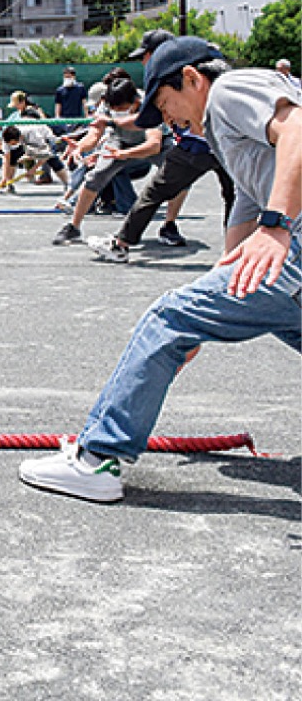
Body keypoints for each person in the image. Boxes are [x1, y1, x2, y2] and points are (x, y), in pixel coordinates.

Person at [20, 36, 302, 502]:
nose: (168, 120)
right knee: (196, 318)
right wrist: (211, 309)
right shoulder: (232, 136)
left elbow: (298, 131)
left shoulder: (230, 91)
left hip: (294, 251)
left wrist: (276, 227)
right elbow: (244, 214)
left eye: (166, 103)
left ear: (191, 79)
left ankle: (96, 459)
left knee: (165, 317)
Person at [88, 31, 236, 264]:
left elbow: (151, 138)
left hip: (196, 148)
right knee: (237, 196)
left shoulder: (177, 79)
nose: (144, 62)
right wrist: (112, 122)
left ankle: (124, 243)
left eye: (145, 55)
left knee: (157, 191)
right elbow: (142, 121)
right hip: (209, 145)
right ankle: (235, 252)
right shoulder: (180, 80)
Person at [52, 77, 166, 246]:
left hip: (149, 144)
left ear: (135, 103)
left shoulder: (149, 105)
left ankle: (169, 225)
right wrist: (81, 146)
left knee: (176, 172)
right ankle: (73, 227)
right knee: (95, 176)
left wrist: (125, 154)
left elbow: (154, 145)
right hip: (119, 142)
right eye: (113, 108)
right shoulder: (105, 106)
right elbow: (94, 134)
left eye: (121, 109)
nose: (116, 111)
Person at [0, 123, 70, 194]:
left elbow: (46, 155)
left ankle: (68, 186)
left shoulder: (34, 135)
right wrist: (5, 178)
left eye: (13, 144)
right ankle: (9, 185)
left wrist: (33, 169)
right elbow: (7, 159)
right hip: (28, 142)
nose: (12, 145)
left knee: (53, 160)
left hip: (45, 139)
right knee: (13, 157)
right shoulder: (6, 139)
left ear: (20, 138)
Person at [53, 66, 89, 132]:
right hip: (64, 120)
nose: (67, 79)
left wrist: (87, 116)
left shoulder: (80, 88)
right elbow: (58, 104)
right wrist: (57, 116)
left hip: (77, 119)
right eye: (65, 77)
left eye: (69, 77)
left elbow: (84, 102)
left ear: (74, 77)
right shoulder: (59, 90)